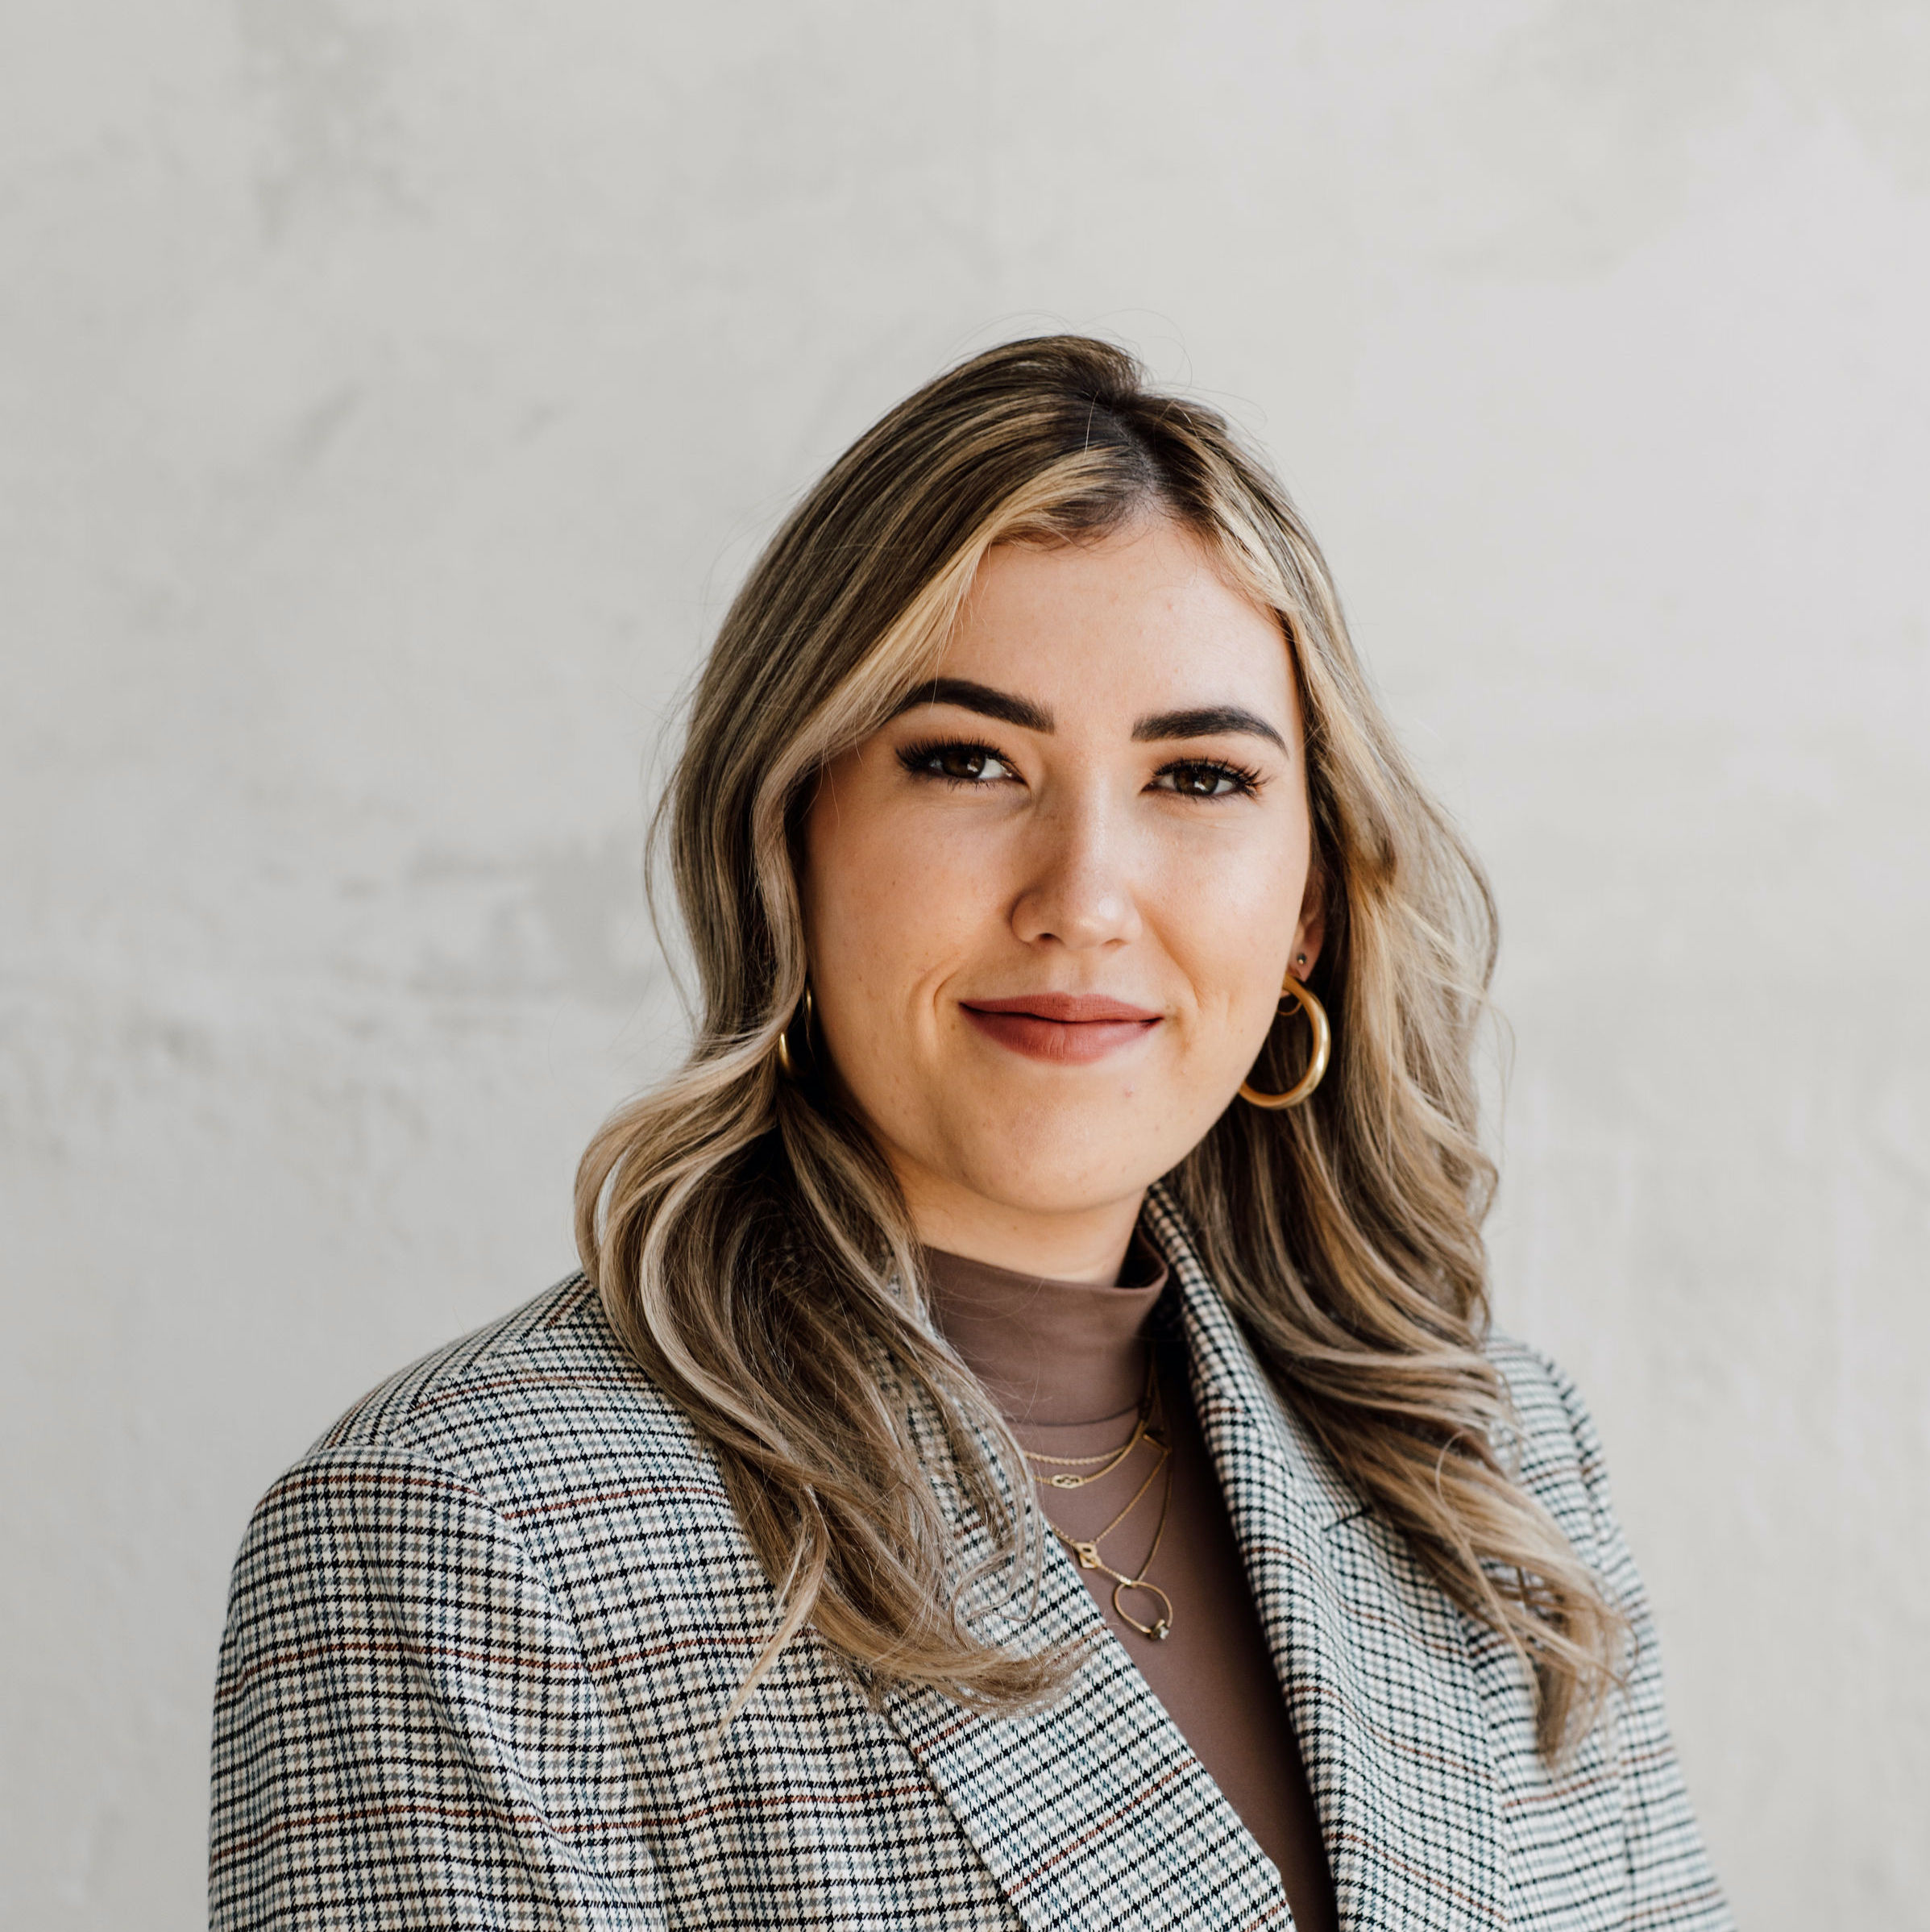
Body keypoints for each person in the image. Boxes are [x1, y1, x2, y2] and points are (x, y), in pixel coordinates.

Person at [210, 336, 1731, 1930]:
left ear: (1305, 907)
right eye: (967, 760)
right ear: (784, 836)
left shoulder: (1496, 1465)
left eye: (1199, 776)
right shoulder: (462, 1531)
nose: (1080, 894)